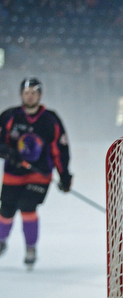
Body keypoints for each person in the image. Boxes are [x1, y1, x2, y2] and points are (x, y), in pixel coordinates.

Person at [0, 78, 72, 268]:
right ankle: (1, 239)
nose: (29, 96)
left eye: (33, 92)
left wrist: (65, 176)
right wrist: (6, 151)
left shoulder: (50, 119)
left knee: (27, 207)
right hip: (13, 173)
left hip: (40, 175)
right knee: (6, 210)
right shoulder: (10, 116)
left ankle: (30, 247)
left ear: (39, 95)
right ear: (21, 95)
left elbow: (60, 149)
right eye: (26, 92)